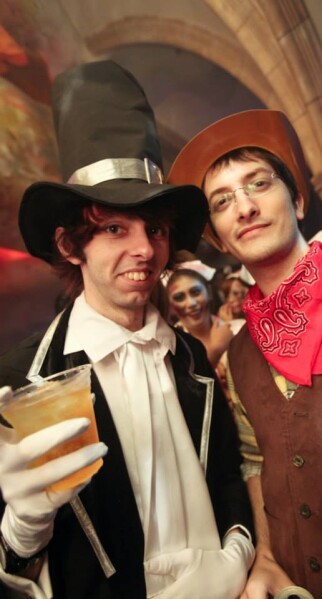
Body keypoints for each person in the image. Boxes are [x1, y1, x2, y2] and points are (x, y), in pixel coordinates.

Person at [0, 61, 255, 599]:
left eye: (155, 228)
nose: (145, 249)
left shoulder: (190, 355)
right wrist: (21, 528)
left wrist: (238, 550)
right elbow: (15, 568)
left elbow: (229, 477)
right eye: (115, 227)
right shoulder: (24, 378)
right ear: (71, 245)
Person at [168, 109, 322, 599]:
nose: (244, 207)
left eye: (258, 183)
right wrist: (269, 556)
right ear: (218, 236)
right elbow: (256, 460)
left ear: (297, 200)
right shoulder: (241, 352)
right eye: (223, 200)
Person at [166, 268, 244, 403]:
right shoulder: (170, 350)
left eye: (196, 292)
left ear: (209, 292)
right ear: (170, 305)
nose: (191, 303)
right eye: (179, 297)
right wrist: (215, 351)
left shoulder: (239, 330)